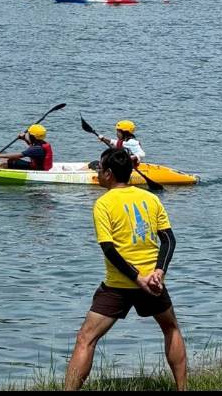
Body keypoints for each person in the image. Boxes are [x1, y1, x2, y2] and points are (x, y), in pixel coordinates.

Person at [63, 147, 186, 391]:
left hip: (119, 285)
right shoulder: (151, 199)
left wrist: (137, 278)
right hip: (152, 283)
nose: (97, 173)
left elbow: (109, 249)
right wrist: (159, 272)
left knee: (86, 339)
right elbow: (169, 240)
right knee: (170, 328)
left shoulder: (103, 203)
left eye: (100, 169)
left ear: (109, 173)